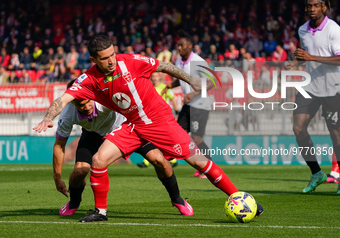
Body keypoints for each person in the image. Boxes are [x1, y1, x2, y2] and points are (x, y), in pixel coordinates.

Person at [33, 34, 263, 222]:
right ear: (94, 59)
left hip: (159, 121)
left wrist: (189, 79)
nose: (112, 60)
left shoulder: (130, 61)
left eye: (112, 54)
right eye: (105, 58)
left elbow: (163, 65)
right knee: (98, 161)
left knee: (197, 160)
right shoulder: (88, 79)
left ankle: (237, 195)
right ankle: (100, 212)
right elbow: (63, 99)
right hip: (132, 125)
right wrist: (47, 117)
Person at [55, 79, 189, 216]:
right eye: (80, 104)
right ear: (71, 101)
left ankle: (177, 199)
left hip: (126, 128)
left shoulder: (104, 97)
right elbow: (59, 146)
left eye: (89, 101)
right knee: (79, 171)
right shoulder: (67, 115)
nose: (87, 107)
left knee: (158, 159)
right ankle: (74, 202)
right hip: (93, 134)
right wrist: (57, 177)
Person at [292, 0, 340, 193]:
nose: (311, 9)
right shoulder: (302, 29)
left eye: (315, 6)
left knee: (336, 134)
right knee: (298, 128)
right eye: (309, 5)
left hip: (332, 88)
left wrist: (311, 58)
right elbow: (307, 55)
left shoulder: (334, 29)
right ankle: (316, 173)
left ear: (324, 8)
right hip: (310, 88)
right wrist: (296, 61)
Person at [168, 30, 213, 179]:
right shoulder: (178, 62)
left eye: (181, 45)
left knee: (197, 138)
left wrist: (194, 94)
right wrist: (167, 87)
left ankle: (208, 166)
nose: (179, 48)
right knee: (178, 132)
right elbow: (179, 79)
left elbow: (212, 82)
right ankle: (172, 160)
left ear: (190, 46)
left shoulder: (198, 61)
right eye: (178, 45)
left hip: (200, 104)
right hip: (188, 105)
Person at [137, 71, 179, 168]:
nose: (155, 78)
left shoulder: (164, 87)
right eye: (153, 76)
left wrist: (176, 113)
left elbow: (173, 99)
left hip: (162, 117)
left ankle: (172, 159)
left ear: (159, 77)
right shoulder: (149, 87)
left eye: (156, 76)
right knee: (151, 137)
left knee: (161, 138)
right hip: (151, 116)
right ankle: (149, 161)